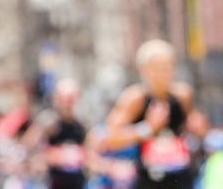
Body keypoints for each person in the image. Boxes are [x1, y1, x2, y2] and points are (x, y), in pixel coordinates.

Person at [105, 39, 205, 188]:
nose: (166, 73)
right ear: (144, 70)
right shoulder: (135, 99)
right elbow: (110, 138)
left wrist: (197, 128)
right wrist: (147, 128)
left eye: (169, 66)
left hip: (181, 176)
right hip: (150, 179)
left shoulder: (183, 95)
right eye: (159, 68)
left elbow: (197, 129)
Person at [24, 77, 90, 188]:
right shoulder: (48, 121)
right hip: (53, 181)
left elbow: (89, 153)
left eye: (72, 98)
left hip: (77, 181)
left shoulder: (82, 124)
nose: (68, 102)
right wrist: (50, 156)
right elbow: (28, 148)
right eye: (65, 98)